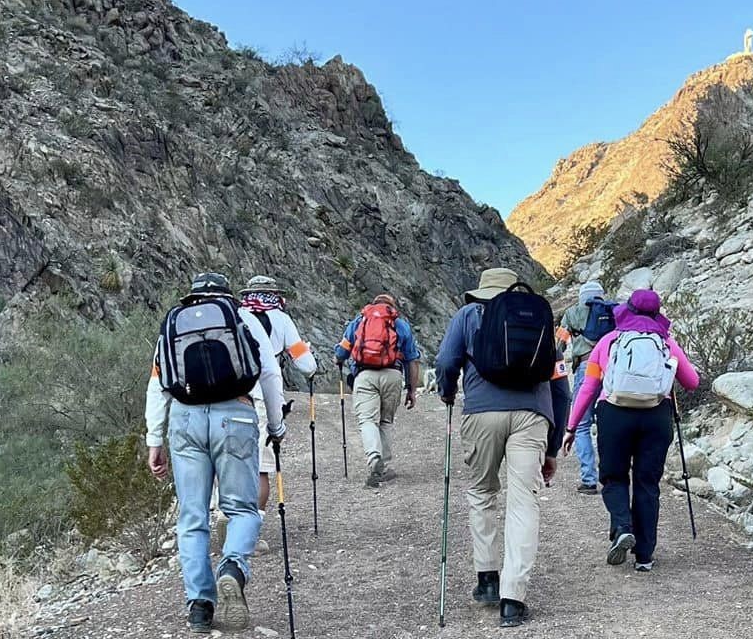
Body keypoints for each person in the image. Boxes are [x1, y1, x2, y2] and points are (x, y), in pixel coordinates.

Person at [146, 272, 286, 634]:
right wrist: (275, 426)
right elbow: (269, 374)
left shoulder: (173, 323)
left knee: (192, 518)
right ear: (226, 294)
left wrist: (154, 440)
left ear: (191, 296)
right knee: (242, 508)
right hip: (235, 415)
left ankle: (200, 606)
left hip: (185, 420)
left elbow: (158, 385)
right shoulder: (244, 317)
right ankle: (233, 567)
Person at [436, 268, 571, 629]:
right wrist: (552, 449)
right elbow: (561, 388)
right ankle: (513, 599)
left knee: (482, 492)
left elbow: (446, 362)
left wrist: (448, 392)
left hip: (481, 413)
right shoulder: (538, 317)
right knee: (523, 501)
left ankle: (487, 579)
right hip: (532, 416)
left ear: (481, 291)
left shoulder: (468, 315)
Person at [562, 288, 698, 574]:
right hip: (656, 417)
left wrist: (572, 426)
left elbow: (588, 388)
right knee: (648, 484)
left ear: (628, 311)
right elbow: (692, 382)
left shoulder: (608, 342)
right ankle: (645, 557)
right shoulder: (665, 343)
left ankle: (623, 527)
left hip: (614, 415)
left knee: (614, 477)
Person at [240, 274, 318, 511]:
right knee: (261, 465)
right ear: (275, 295)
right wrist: (304, 350)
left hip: (231, 392)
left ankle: (226, 513)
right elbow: (307, 366)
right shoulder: (281, 319)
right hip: (262, 393)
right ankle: (253, 526)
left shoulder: (236, 316)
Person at [335, 293, 421, 488]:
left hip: (365, 375)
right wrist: (411, 389)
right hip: (393, 375)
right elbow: (412, 360)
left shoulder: (359, 321)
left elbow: (342, 351)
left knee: (367, 420)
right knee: (385, 421)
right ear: (392, 306)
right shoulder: (400, 325)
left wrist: (338, 359)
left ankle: (374, 458)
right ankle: (385, 466)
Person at [557, 280, 611, 494]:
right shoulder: (613, 312)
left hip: (587, 369)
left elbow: (558, 345)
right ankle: (611, 477)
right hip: (611, 369)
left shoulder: (572, 313)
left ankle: (589, 479)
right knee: (608, 424)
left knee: (581, 424)